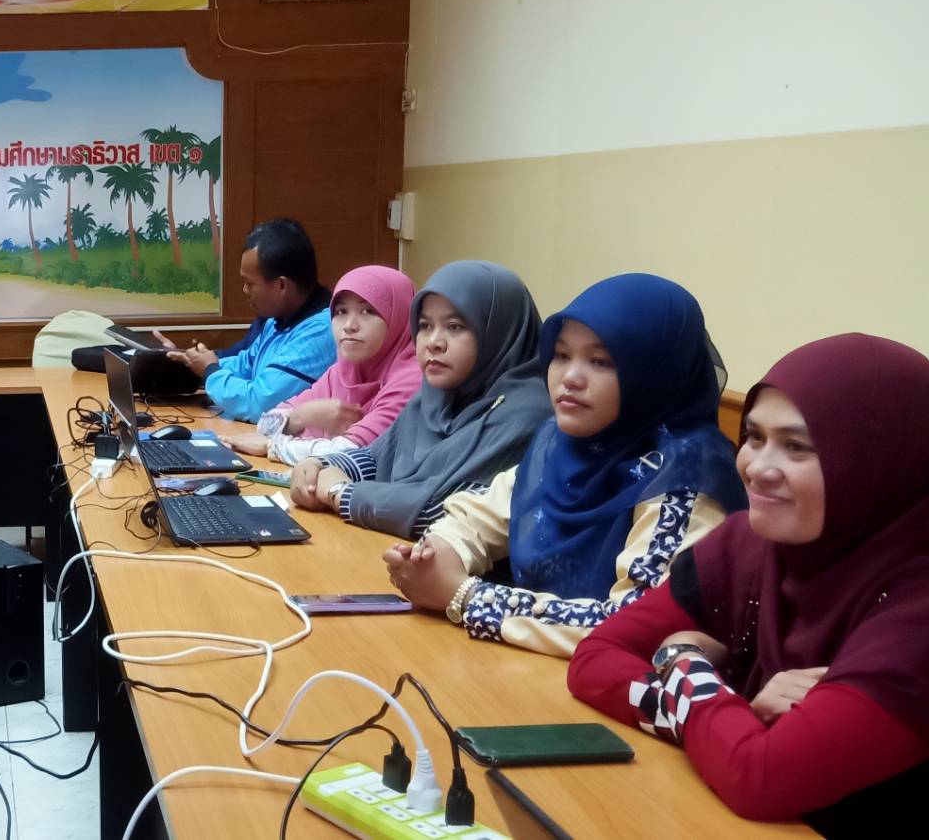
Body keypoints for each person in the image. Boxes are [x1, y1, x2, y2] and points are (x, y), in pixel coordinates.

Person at [568, 334, 929, 831]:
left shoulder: (917, 611)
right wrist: (732, 714)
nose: (756, 468)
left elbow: (759, 777)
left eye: (796, 447)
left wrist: (682, 660)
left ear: (878, 463)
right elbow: (593, 661)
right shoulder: (748, 545)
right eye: (755, 437)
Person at [382, 274, 746, 656]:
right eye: (561, 355)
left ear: (655, 371)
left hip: (614, 683)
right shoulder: (562, 440)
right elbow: (483, 512)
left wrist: (466, 596)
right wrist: (437, 553)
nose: (569, 378)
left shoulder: (687, 473)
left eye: (600, 361)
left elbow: (632, 623)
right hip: (530, 666)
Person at [289, 260, 550, 539]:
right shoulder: (434, 397)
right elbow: (377, 457)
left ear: (498, 330)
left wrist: (342, 493)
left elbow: (450, 512)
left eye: (455, 326)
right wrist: (319, 466)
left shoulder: (526, 414)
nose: (433, 342)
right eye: (425, 326)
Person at [223, 265, 421, 463]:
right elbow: (265, 425)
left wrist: (272, 446)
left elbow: (351, 453)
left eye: (367, 311)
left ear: (399, 316)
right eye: (341, 311)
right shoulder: (343, 371)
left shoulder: (413, 379)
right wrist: (302, 416)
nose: (349, 326)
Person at [162, 218, 336, 421]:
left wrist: (210, 370)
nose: (245, 290)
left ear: (281, 285)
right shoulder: (277, 320)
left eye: (249, 283)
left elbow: (259, 404)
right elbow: (246, 365)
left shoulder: (322, 331)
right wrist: (191, 363)